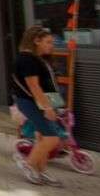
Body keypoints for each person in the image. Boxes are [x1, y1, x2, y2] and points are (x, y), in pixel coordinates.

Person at [11, 26, 64, 187]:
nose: (51, 45)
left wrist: (55, 106)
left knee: (43, 137)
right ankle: (29, 164)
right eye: (48, 42)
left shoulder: (37, 59)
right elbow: (34, 86)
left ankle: (41, 170)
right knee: (52, 138)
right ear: (36, 41)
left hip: (40, 103)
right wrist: (47, 108)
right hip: (32, 103)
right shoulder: (28, 60)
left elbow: (47, 84)